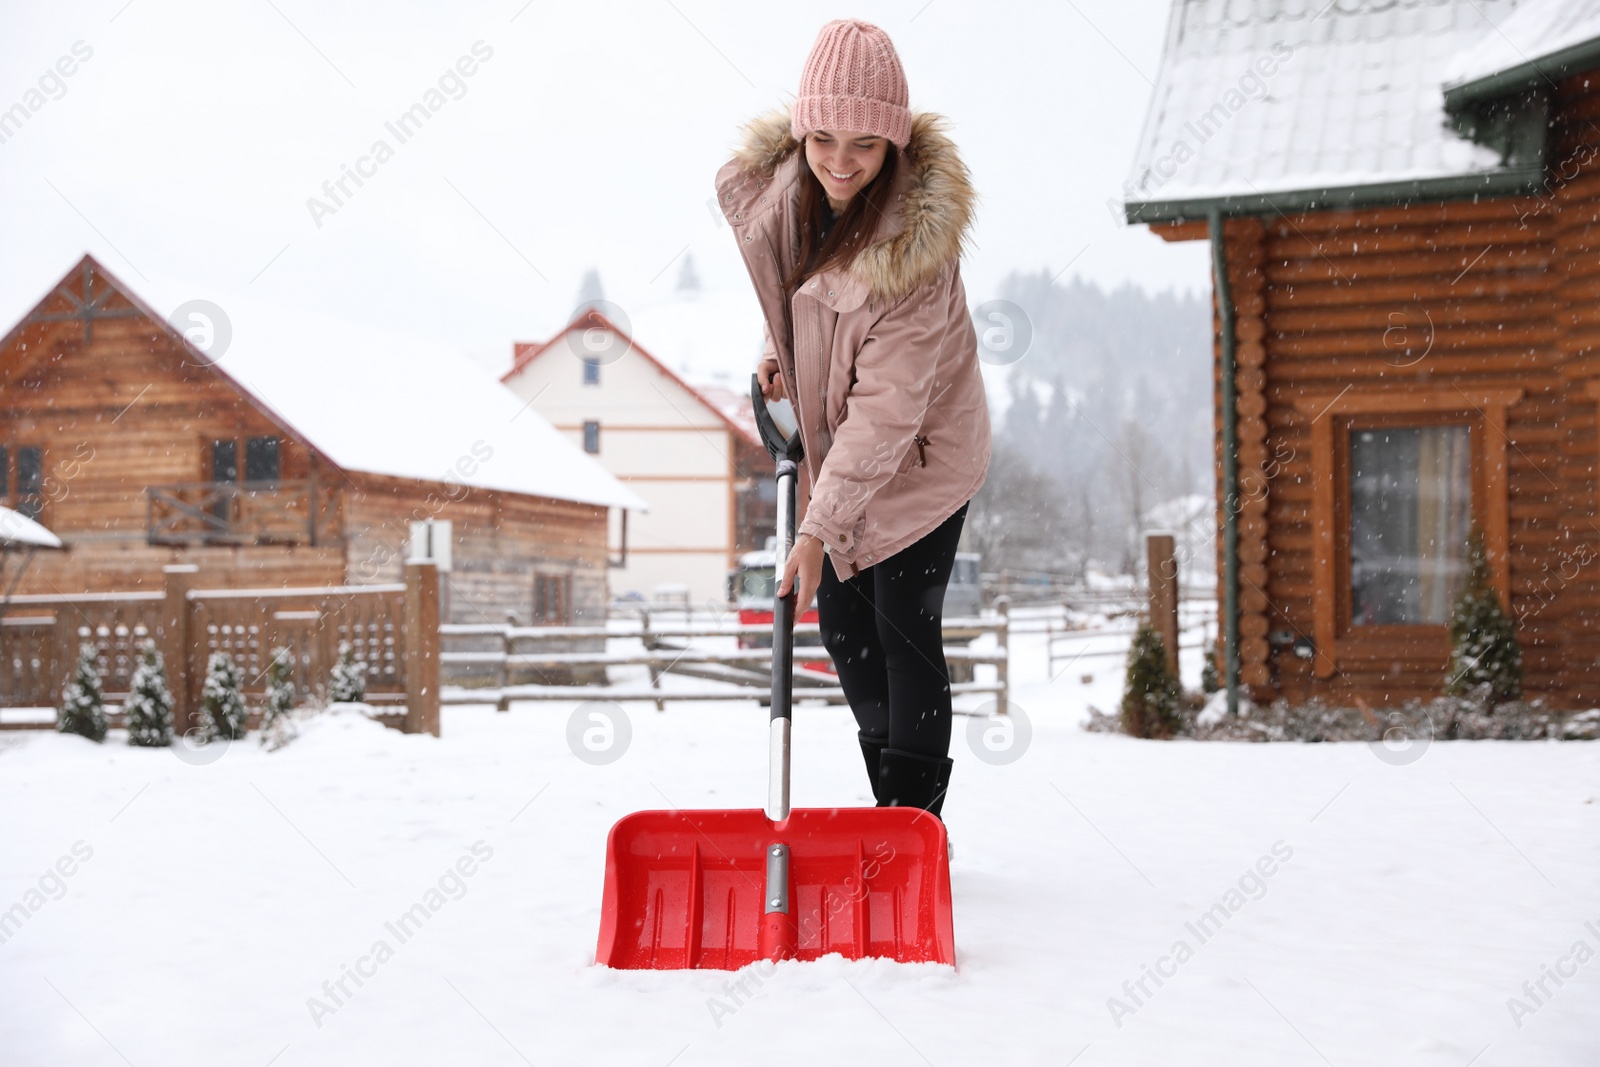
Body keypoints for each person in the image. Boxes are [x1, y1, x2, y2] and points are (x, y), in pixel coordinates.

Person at [714, 19, 990, 818]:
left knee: (902, 623)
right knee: (842, 624)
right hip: (849, 446)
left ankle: (914, 825)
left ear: (895, 146)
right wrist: (778, 345)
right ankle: (894, 809)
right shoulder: (798, 202)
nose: (840, 162)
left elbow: (886, 412)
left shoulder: (917, 255)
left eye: (865, 146)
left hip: (924, 455)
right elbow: (808, 296)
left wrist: (812, 528)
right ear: (802, 132)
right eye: (825, 139)